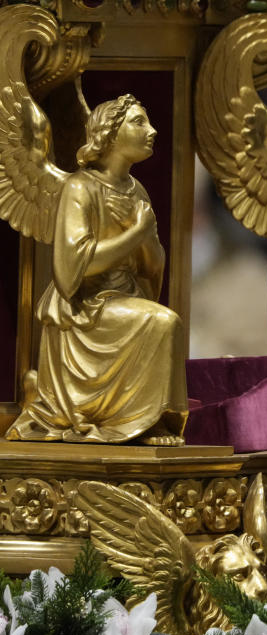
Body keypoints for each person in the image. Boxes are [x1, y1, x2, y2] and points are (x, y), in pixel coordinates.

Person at [6, 95, 188, 445]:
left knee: (162, 319)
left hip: (124, 300)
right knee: (165, 322)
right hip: (84, 309)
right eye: (138, 122)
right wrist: (135, 234)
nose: (151, 130)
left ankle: (150, 420)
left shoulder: (138, 192)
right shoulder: (80, 188)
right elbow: (72, 268)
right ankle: (145, 420)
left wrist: (147, 242)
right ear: (110, 134)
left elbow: (152, 270)